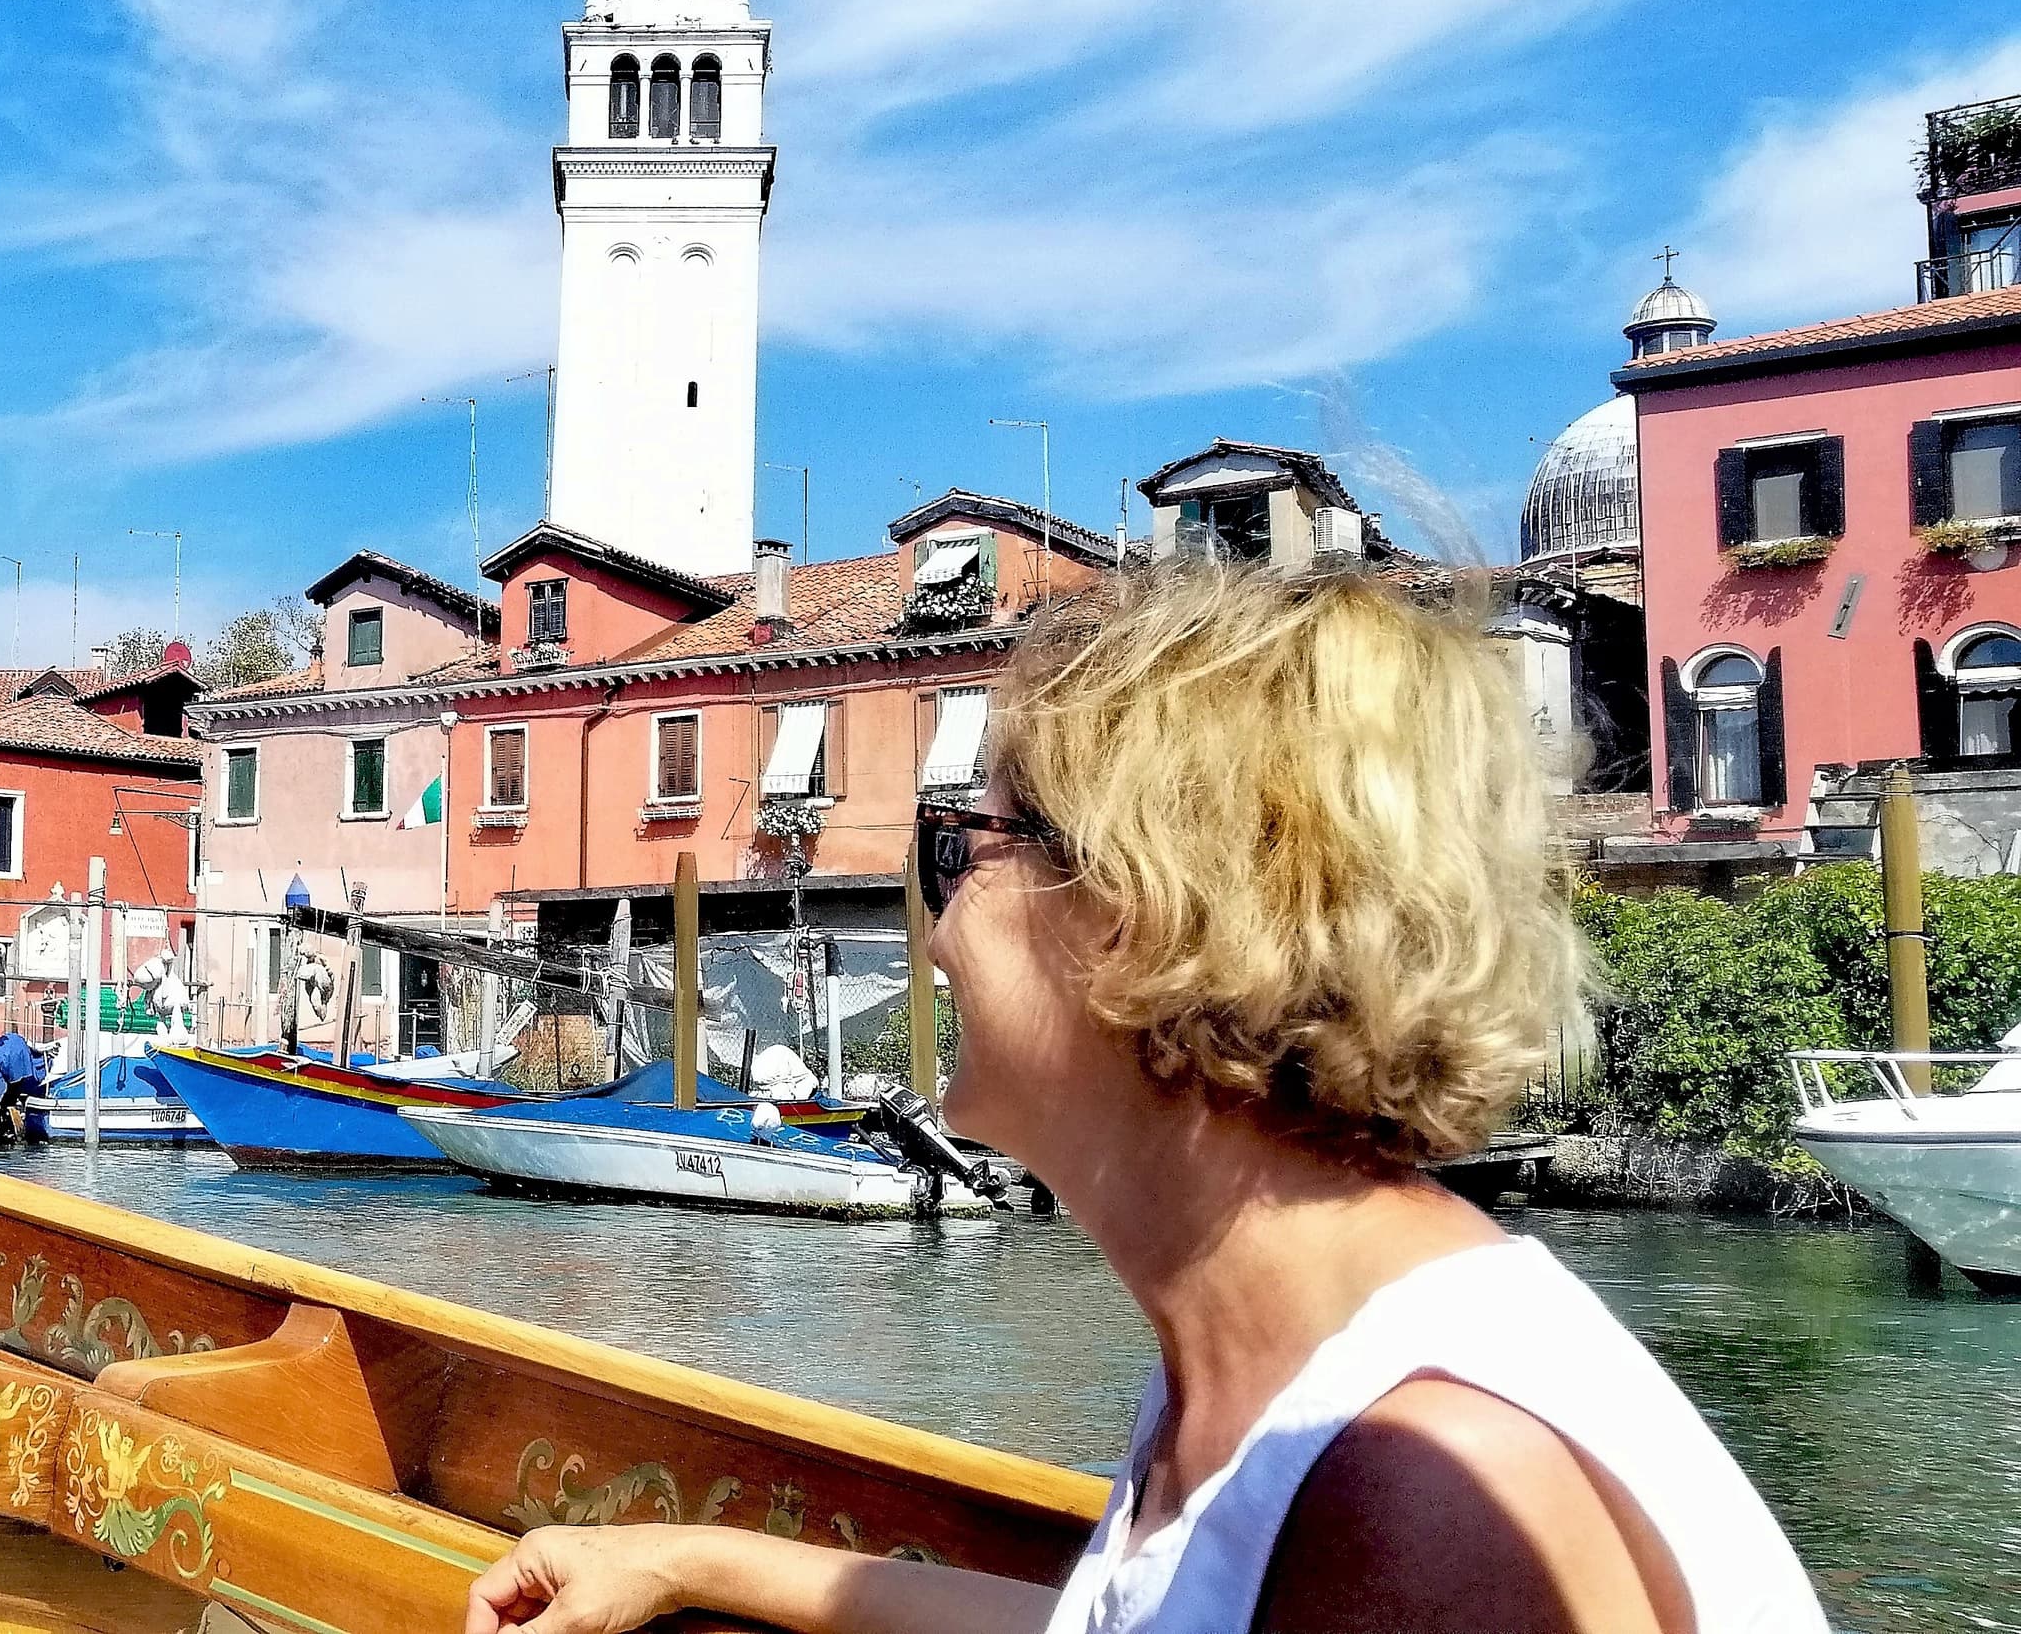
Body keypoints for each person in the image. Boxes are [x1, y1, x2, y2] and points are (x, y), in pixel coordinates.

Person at [467, 566, 1822, 1634]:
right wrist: (695, 1559)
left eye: (962, 848)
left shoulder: (1421, 1489)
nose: (931, 932)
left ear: (1138, 909)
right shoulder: (1271, 1348)